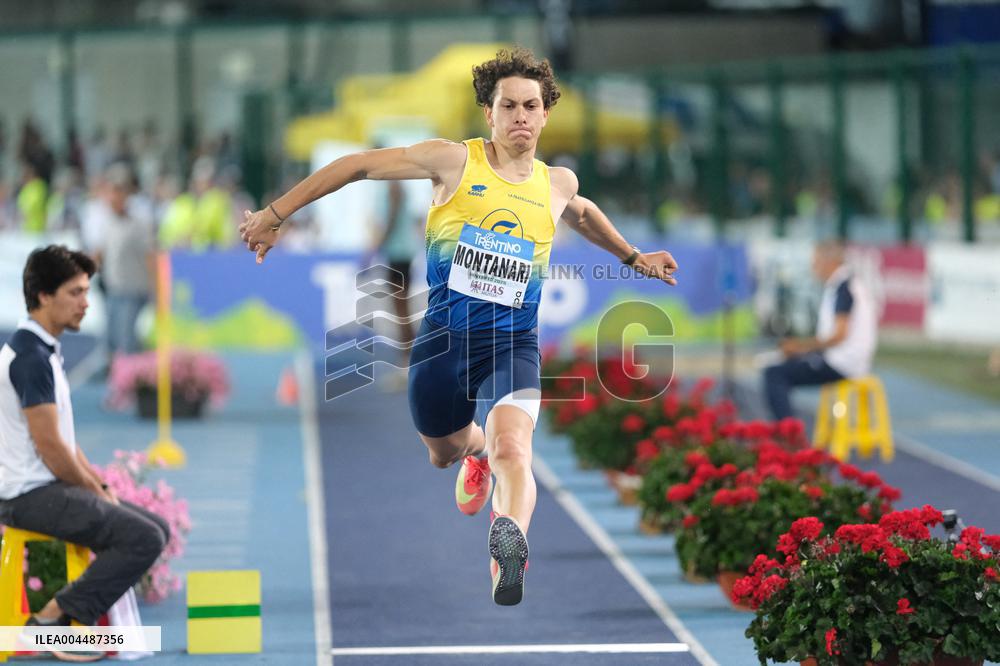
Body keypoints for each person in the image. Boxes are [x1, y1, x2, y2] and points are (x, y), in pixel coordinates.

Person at [240, 47, 678, 606]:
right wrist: (275, 214)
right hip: (443, 344)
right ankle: (471, 453)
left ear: (546, 115)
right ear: (488, 115)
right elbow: (355, 166)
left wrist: (631, 255)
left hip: (513, 345)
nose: (520, 115)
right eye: (508, 106)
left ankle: (509, 543)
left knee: (515, 450)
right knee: (442, 452)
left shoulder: (556, 182)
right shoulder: (453, 162)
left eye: (531, 106)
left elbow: (583, 213)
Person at [0, 245, 169, 662]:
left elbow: (60, 441)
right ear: (43, 296)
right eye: (75, 292)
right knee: (142, 537)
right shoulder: (29, 359)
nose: (86, 302)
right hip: (26, 495)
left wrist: (100, 484)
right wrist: (94, 490)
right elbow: (52, 449)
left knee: (156, 527)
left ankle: (59, 618)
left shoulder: (42, 351)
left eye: (86, 291)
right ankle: (57, 624)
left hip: (44, 487)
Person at [763, 241, 876, 420]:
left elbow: (839, 335)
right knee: (780, 366)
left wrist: (801, 347)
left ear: (829, 262)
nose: (813, 267)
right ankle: (787, 429)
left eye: (816, 262)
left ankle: (788, 433)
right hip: (846, 360)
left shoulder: (844, 288)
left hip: (842, 363)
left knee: (774, 373)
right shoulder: (847, 284)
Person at [92, 164, 156, 362]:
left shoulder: (139, 223)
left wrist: (157, 292)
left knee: (128, 344)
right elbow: (100, 254)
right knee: (111, 342)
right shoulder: (107, 222)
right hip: (113, 290)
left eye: (118, 191)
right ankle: (117, 384)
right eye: (111, 191)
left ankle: (131, 386)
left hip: (133, 292)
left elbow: (150, 257)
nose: (114, 196)